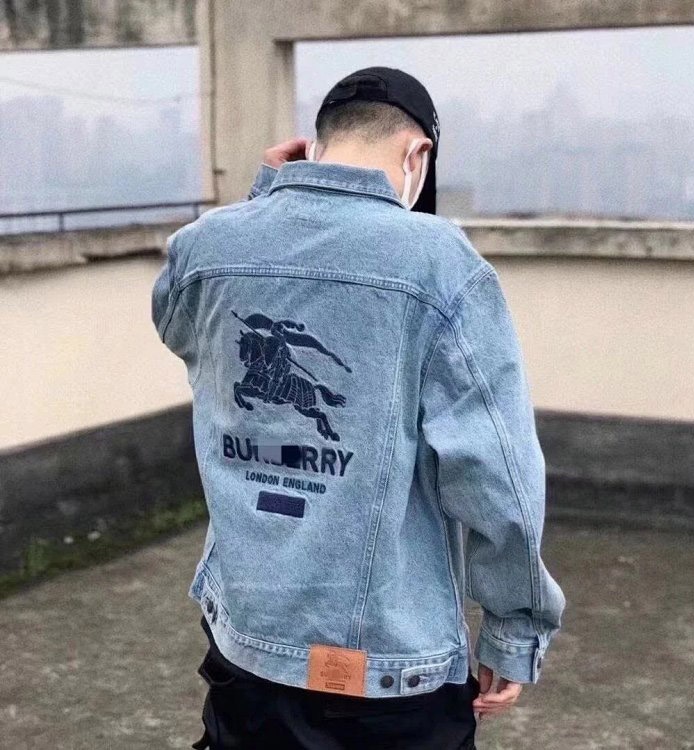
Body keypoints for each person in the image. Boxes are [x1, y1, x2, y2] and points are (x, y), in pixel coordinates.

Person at [152, 66, 565, 750]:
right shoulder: (439, 262)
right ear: (417, 155)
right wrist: (514, 629)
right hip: (387, 674)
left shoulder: (208, 246)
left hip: (245, 650)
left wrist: (267, 197)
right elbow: (499, 478)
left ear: (315, 146)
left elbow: (176, 321)